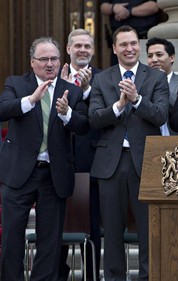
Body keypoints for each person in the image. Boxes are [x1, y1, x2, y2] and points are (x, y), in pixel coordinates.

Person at [0, 36, 89, 280]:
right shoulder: (17, 84)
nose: (49, 64)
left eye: (54, 58)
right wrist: (31, 100)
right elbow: (3, 109)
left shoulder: (71, 91)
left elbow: (83, 125)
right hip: (19, 174)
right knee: (12, 239)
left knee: (49, 245)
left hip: (53, 175)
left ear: (61, 61)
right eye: (44, 59)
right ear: (32, 62)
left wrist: (66, 113)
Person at [89, 25, 169, 281]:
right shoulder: (102, 79)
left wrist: (136, 100)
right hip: (110, 165)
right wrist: (118, 106)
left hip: (146, 162)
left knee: (149, 231)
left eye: (133, 43)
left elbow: (160, 115)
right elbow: (94, 119)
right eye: (123, 44)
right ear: (114, 49)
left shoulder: (156, 77)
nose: (130, 48)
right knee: (112, 232)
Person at [58, 28, 101, 281]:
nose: (82, 50)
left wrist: (85, 91)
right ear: (68, 49)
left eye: (87, 46)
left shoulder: (104, 79)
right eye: (77, 46)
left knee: (90, 227)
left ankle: (92, 276)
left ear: (93, 50)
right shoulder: (56, 78)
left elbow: (99, 117)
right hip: (59, 163)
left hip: (90, 163)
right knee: (58, 228)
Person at [146, 37, 178, 135]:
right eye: (150, 56)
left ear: (172, 58)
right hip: (149, 140)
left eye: (159, 55)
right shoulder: (143, 84)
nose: (154, 59)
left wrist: (162, 83)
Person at [100, 0, 161, 65]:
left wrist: (129, 11)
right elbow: (103, 7)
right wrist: (114, 7)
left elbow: (154, 6)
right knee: (117, 72)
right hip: (119, 40)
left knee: (144, 71)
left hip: (143, 39)